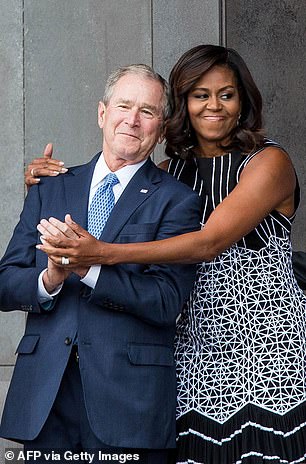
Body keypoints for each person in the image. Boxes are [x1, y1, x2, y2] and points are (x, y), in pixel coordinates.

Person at [27, 45, 306, 463]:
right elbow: (110, 194)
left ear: (243, 101)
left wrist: (102, 253)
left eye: (226, 95)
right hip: (193, 342)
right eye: (200, 95)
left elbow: (209, 242)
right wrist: (44, 186)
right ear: (182, 105)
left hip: (265, 344)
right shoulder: (172, 171)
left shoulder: (269, 161)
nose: (213, 106)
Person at [0, 64, 201, 463]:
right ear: (102, 113)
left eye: (147, 111)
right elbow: (6, 282)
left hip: (128, 402)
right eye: (124, 105)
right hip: (45, 399)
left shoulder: (177, 200)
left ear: (160, 129)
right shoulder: (51, 186)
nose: (132, 119)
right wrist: (51, 277)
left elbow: (166, 301)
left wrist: (87, 267)